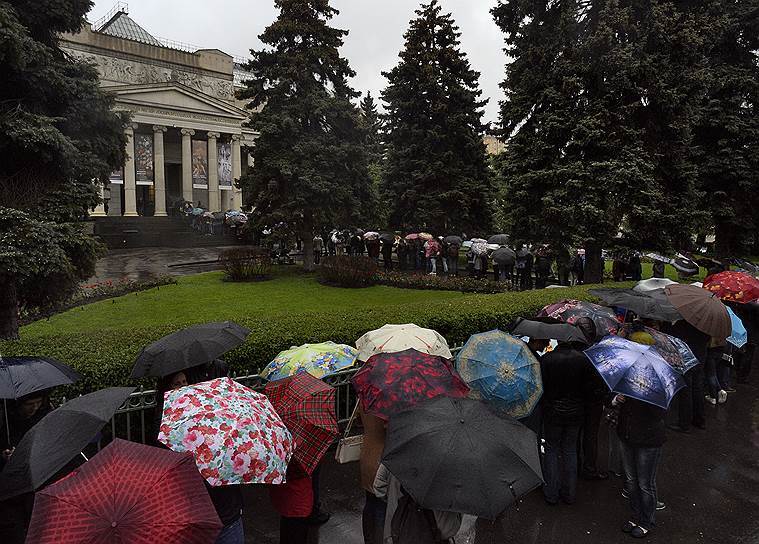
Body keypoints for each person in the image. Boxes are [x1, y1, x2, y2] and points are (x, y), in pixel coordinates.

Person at [539, 337, 595, 505]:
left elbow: (542, 386)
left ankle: (551, 493)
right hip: (576, 412)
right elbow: (588, 388)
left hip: (552, 413)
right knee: (570, 451)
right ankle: (569, 493)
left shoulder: (547, 359)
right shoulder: (583, 359)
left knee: (551, 450)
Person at [0, 392, 53, 543]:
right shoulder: (6, 420)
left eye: (38, 403)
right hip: (9, 490)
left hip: (34, 480)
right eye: (29, 405)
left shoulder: (44, 415)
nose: (34, 408)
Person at [614, 393, 667, 539]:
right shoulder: (628, 376)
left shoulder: (657, 384)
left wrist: (646, 397)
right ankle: (635, 516)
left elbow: (660, 413)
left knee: (645, 483)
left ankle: (646, 522)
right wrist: (616, 399)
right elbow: (611, 395)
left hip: (649, 440)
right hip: (627, 435)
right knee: (631, 480)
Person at [662, 320, 709, 432]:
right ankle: (699, 420)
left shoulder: (687, 318)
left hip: (687, 357)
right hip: (700, 356)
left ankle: (684, 423)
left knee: (686, 390)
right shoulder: (707, 320)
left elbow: (674, 335)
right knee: (698, 388)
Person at [360, 406, 387, 544]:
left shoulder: (367, 394)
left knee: (370, 502)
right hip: (383, 460)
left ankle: (369, 539)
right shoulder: (389, 401)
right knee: (381, 507)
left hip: (368, 455)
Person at [270, 465, 313, 544]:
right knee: (297, 534)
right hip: (299, 501)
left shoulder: (279, 460)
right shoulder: (301, 459)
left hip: (285, 500)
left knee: (287, 532)